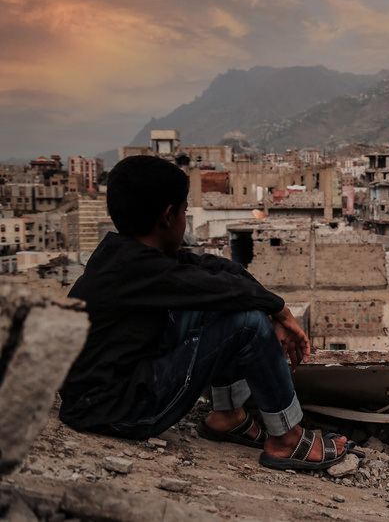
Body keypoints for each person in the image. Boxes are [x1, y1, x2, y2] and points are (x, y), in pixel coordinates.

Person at [59, 155, 346, 470]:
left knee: (229, 306)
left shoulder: (125, 255)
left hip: (103, 399)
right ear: (169, 216)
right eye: (184, 211)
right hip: (120, 412)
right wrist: (276, 310)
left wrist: (275, 307)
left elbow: (216, 270)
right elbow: (221, 288)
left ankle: (227, 416)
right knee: (247, 322)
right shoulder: (141, 269)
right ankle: (287, 439)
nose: (184, 220)